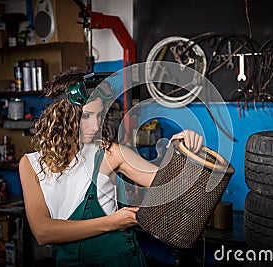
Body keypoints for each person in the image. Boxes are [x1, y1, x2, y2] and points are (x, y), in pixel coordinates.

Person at [19, 68, 204, 267]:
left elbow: (172, 184)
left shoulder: (109, 152)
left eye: (100, 116)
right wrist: (113, 222)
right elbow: (43, 232)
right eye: (87, 116)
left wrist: (182, 151)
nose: (96, 126)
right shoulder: (31, 165)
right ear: (61, 115)